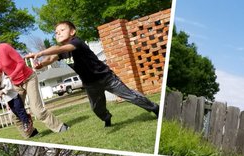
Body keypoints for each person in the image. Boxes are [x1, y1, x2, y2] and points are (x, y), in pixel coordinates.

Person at [31, 21, 160, 125]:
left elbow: (60, 49)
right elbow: (51, 59)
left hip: (105, 77)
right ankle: (107, 118)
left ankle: (155, 108)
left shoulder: (76, 42)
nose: (58, 33)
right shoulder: (61, 51)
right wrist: (40, 64)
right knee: (96, 108)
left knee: (131, 96)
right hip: (90, 84)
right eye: (56, 33)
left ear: (72, 32)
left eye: (62, 30)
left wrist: (42, 52)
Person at [0, 28, 69, 135]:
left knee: (37, 110)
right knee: (13, 114)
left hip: (28, 78)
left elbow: (21, 62)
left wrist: (11, 76)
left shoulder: (4, 47)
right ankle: (31, 134)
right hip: (15, 84)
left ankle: (60, 127)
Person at [0, 67, 37, 139]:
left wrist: (2, 92)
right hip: (9, 100)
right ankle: (27, 117)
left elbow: (9, 87)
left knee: (20, 110)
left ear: (0, 75)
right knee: (16, 113)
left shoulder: (6, 79)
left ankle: (26, 122)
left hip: (15, 98)